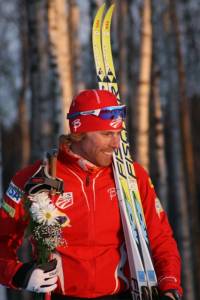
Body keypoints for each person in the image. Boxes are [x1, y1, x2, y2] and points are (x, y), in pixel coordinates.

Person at [0, 89, 182, 300]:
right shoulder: (35, 178)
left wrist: (169, 286)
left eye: (118, 134)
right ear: (79, 132)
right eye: (106, 134)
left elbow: (160, 238)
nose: (115, 144)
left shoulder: (131, 177)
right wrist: (18, 273)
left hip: (121, 295)